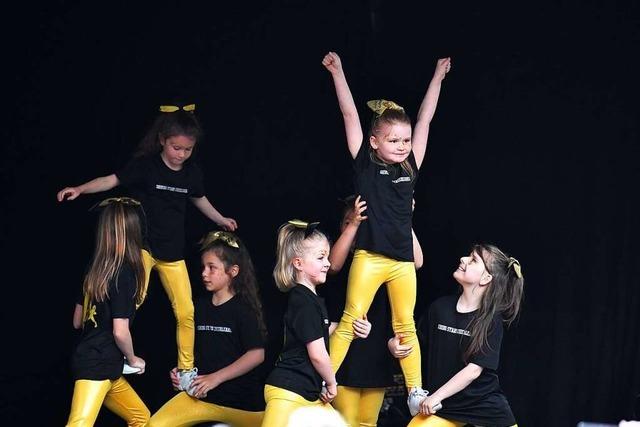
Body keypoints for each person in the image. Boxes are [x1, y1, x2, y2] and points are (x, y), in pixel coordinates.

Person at [57, 104, 237, 388]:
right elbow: (112, 180)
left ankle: (187, 369)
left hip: (173, 255)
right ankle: (113, 354)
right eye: (176, 148)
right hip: (144, 249)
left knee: (186, 311)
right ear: (163, 140)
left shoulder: (192, 173)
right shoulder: (146, 167)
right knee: (128, 304)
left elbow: (199, 198)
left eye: (187, 150)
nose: (181, 154)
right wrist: (80, 189)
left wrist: (220, 218)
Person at [322, 51, 451, 415]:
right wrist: (338, 72)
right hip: (370, 257)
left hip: (402, 262)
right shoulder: (365, 163)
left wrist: (437, 77)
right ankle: (326, 379)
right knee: (351, 318)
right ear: (375, 141)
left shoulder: (410, 166)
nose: (402, 146)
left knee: (405, 323)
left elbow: (425, 120)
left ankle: (414, 390)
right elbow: (349, 114)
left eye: (405, 140)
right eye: (393, 140)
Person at [389, 244, 524, 427]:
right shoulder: (439, 308)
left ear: (486, 278)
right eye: (468, 256)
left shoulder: (491, 321)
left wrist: (435, 396)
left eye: (474, 260)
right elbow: (416, 346)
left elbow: (474, 370)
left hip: (483, 405)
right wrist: (393, 345)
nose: (463, 259)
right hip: (445, 406)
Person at [148, 231, 266, 427]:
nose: (204, 273)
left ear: (233, 271)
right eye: (203, 267)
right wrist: (181, 371)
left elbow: (257, 355)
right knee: (155, 424)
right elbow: (196, 350)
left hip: (239, 405)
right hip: (201, 399)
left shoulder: (244, 309)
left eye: (212, 268)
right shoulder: (198, 307)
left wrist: (215, 378)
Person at [326, 195, 423, 427]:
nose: (358, 225)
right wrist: (355, 223)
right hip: (347, 355)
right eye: (348, 222)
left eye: (365, 220)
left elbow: (417, 261)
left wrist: (402, 217)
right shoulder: (351, 260)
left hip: (376, 355)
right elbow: (334, 264)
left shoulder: (390, 260)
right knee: (346, 421)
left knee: (368, 422)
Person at [66, 197, 150, 427]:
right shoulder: (125, 273)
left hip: (101, 362)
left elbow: (77, 322)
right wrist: (133, 359)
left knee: (140, 417)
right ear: (133, 233)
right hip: (97, 365)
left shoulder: (93, 270)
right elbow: (120, 332)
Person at [262, 220, 343, 427]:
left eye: (327, 256)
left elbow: (322, 332)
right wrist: (332, 383)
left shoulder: (311, 300)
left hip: (306, 393)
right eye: (320, 257)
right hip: (288, 391)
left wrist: (351, 325)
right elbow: (317, 353)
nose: (328, 262)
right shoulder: (303, 302)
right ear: (298, 263)